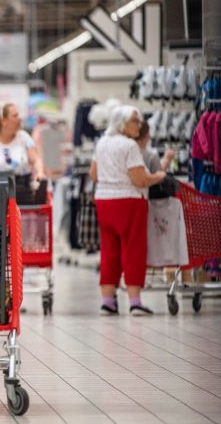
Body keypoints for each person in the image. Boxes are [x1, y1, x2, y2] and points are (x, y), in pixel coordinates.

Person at [90, 105, 166, 316]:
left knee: (109, 250)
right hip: (129, 201)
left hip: (104, 202)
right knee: (133, 249)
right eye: (135, 121)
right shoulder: (130, 146)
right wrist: (159, 176)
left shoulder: (102, 143)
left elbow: (94, 175)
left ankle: (108, 300)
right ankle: (134, 301)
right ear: (122, 123)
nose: (139, 125)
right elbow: (140, 179)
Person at [0, 103, 45, 179]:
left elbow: (36, 159)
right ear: (3, 121)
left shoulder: (24, 137)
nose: (20, 118)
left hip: (23, 186)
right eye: (15, 116)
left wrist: (40, 172)